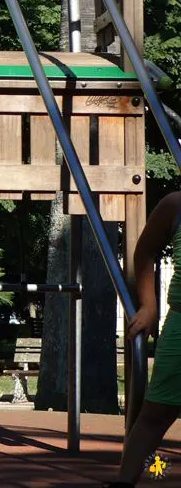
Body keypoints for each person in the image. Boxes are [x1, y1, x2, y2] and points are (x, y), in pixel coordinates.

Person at [106, 191, 181, 487]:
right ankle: (125, 482)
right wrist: (149, 305)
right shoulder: (175, 205)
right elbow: (145, 252)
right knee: (155, 413)